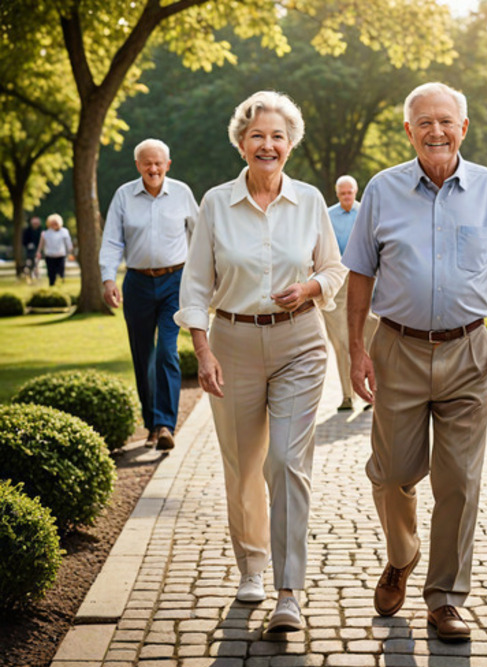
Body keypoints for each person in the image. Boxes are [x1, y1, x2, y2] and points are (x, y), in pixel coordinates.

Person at [343, 82, 487, 643]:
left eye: (445, 121)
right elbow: (359, 274)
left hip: (469, 351)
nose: (436, 131)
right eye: (423, 122)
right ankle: (401, 555)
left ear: (464, 128)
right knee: (394, 472)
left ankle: (445, 598)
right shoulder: (381, 189)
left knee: (459, 482)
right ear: (408, 131)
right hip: (396, 349)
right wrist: (357, 349)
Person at [175, 91, 345, 634]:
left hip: (300, 343)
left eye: (277, 136)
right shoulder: (215, 203)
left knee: (287, 463)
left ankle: (289, 591)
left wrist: (314, 286)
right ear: (242, 144)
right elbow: (197, 286)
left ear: (290, 144)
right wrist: (203, 351)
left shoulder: (312, 201)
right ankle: (251, 565)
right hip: (233, 344)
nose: (267, 144)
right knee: (244, 464)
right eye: (257, 136)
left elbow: (335, 269)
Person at [99, 138, 198, 452]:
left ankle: (166, 424)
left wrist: (200, 277)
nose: (153, 168)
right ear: (138, 165)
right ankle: (152, 424)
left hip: (175, 282)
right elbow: (113, 241)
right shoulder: (124, 196)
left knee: (167, 351)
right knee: (143, 356)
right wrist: (107, 279)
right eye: (147, 163)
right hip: (138, 283)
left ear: (168, 165)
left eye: (158, 163)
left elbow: (199, 234)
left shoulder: (182, 193)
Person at [322, 175, 378, 411]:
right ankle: (347, 395)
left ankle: (372, 394)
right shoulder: (327, 215)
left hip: (365, 278)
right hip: (337, 281)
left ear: (356, 192)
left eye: (350, 193)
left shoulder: (366, 213)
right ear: (337, 194)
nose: (347, 197)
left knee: (369, 338)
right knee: (341, 342)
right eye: (343, 193)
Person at [36, 214, 73, 286]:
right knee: (51, 272)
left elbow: (68, 243)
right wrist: (38, 252)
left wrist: (70, 251)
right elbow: (41, 244)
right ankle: (52, 285)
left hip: (60, 255)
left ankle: (60, 284)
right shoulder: (45, 233)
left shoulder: (64, 232)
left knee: (61, 272)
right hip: (49, 255)